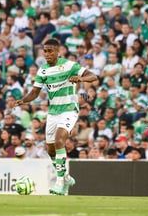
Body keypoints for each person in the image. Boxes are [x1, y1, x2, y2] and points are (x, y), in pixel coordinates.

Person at [12, 39, 98, 195]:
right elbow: (35, 93)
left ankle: (59, 183)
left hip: (69, 109)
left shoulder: (69, 65)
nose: (47, 54)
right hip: (53, 112)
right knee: (50, 150)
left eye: (50, 50)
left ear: (58, 51)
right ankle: (66, 178)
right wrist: (23, 100)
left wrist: (81, 79)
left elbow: (93, 76)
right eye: (45, 51)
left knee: (60, 140)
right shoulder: (42, 71)